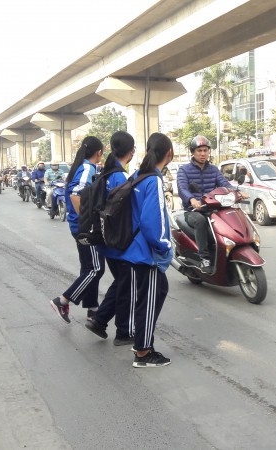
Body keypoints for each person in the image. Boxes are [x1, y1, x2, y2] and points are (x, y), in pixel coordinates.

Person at [121, 132, 174, 367]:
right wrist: (165, 245)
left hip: (134, 249)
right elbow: (152, 222)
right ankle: (143, 352)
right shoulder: (153, 180)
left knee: (157, 291)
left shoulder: (138, 176)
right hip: (147, 253)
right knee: (149, 299)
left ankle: (143, 343)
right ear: (169, 153)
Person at [87, 131, 136, 346]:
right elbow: (128, 213)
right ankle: (122, 332)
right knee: (126, 285)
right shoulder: (120, 176)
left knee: (122, 283)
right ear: (131, 151)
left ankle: (100, 320)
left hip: (106, 240)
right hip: (118, 242)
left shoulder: (107, 173)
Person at [49, 137, 106, 325]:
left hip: (79, 227)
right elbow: (75, 194)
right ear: (99, 152)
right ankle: (62, 300)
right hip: (85, 228)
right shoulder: (88, 168)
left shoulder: (82, 167)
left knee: (89, 268)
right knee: (96, 269)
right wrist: (88, 221)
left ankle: (93, 309)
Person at [177, 135, 240, 271]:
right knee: (200, 221)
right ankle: (204, 258)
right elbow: (182, 188)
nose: (203, 154)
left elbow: (224, 183)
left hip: (213, 209)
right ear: (193, 152)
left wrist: (237, 192)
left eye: (205, 150)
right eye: (199, 151)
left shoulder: (213, 170)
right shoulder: (184, 170)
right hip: (193, 211)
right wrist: (191, 199)